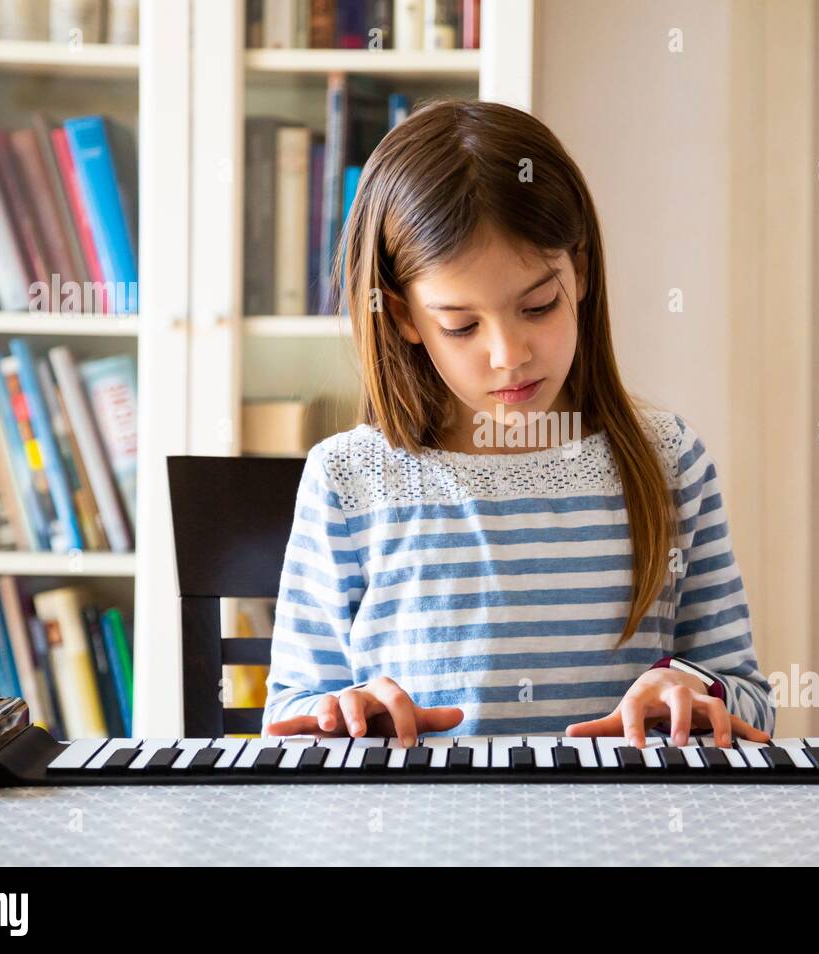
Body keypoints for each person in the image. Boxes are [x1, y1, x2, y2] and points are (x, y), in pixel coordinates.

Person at [262, 99, 774, 751]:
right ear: (401, 318)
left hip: (624, 842)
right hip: (418, 844)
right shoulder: (348, 479)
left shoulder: (670, 461)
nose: (510, 355)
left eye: (537, 305)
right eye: (462, 325)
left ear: (580, 271)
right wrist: (343, 714)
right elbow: (288, 720)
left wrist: (696, 694)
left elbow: (751, 700)